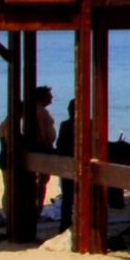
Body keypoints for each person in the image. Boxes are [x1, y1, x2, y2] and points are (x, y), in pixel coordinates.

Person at [55, 100, 76, 233]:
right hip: (71, 163)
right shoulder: (87, 124)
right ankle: (66, 223)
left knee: (67, 197)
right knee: (69, 197)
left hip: (67, 163)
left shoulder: (65, 125)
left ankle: (65, 224)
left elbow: (59, 144)